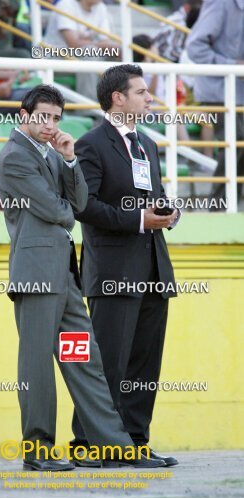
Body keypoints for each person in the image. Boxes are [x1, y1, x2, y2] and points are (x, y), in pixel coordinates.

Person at [0, 84, 165, 471]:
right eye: (43, 116)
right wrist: (67, 203)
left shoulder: (53, 155)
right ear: (24, 116)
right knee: (37, 365)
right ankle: (37, 450)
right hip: (36, 278)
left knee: (84, 359)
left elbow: (82, 201)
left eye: (56, 118)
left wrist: (70, 160)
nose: (50, 125)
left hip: (64, 279)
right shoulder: (14, 158)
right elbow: (62, 212)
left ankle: (114, 446)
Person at [71, 64, 180, 467]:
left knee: (143, 364)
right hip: (114, 273)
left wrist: (167, 213)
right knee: (106, 362)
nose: (149, 99)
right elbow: (85, 205)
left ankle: (135, 441)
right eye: (141, 92)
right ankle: (87, 443)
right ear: (118, 98)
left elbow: (157, 193)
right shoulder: (91, 144)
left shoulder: (147, 144)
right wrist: (137, 219)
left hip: (153, 267)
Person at [186, 0, 244, 205]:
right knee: (236, 140)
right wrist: (231, 66)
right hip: (219, 90)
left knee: (238, 142)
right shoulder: (221, 3)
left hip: (237, 91)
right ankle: (220, 204)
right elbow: (194, 47)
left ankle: (229, 202)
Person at [44, 0, 120, 100]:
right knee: (91, 52)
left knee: (119, 54)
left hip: (81, 54)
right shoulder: (66, 4)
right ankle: (88, 110)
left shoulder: (101, 7)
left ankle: (118, 105)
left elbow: (106, 42)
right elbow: (73, 44)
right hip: (55, 55)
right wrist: (98, 45)